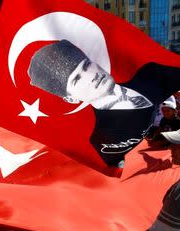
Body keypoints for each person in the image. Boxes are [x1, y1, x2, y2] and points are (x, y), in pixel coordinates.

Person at [28, 39, 156, 167]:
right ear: (71, 99)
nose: (91, 75)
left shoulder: (151, 73)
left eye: (87, 65)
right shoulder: (98, 141)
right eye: (77, 79)